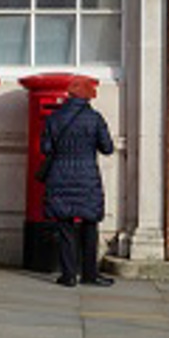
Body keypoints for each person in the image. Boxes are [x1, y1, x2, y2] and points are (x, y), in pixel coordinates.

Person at [41, 77, 115, 287]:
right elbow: (107, 148)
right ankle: (90, 274)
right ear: (89, 96)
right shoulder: (94, 118)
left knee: (64, 227)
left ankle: (69, 275)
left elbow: (45, 148)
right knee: (89, 226)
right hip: (86, 178)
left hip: (60, 175)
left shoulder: (54, 118)